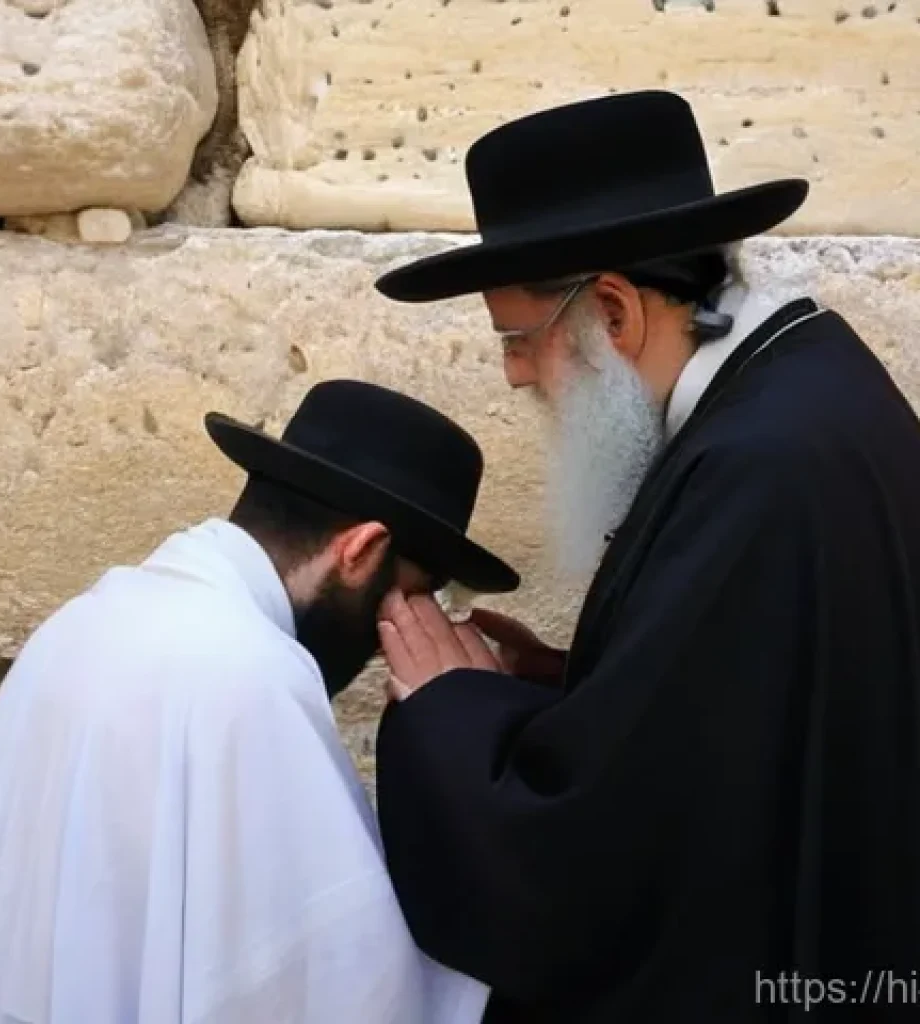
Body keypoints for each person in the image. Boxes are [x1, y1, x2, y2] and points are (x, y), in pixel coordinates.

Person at [369, 90, 920, 1022]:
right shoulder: (802, 390)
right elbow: (738, 714)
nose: (513, 374)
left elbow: (611, 851)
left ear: (616, 312)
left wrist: (449, 719)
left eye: (518, 339)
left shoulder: (760, 465)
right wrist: (570, 682)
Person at [0, 380, 518, 1024]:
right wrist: (465, 738)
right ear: (361, 551)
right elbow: (336, 985)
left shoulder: (85, 620)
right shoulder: (250, 677)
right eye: (413, 594)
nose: (403, 629)